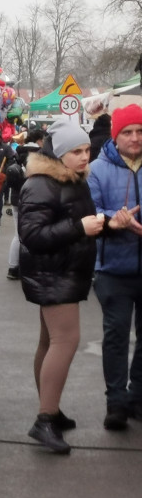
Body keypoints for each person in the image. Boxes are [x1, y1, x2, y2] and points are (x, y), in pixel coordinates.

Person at [18, 123, 115, 453]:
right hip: (53, 273)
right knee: (65, 340)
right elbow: (32, 236)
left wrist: (108, 225)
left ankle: (50, 411)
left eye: (87, 150)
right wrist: (79, 228)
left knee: (49, 341)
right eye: (76, 151)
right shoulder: (41, 184)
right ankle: (45, 419)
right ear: (59, 153)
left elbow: (80, 226)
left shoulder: (71, 180)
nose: (84, 157)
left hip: (64, 271)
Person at [87, 104, 142, 430]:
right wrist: (113, 219)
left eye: (139, 131)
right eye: (128, 132)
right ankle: (116, 403)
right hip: (111, 268)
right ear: (115, 136)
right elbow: (89, 210)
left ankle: (138, 396)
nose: (135, 138)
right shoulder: (97, 169)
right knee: (116, 335)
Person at [6, 129, 44, 280]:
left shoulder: (18, 152)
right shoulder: (40, 154)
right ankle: (30, 268)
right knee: (34, 232)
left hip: (16, 197)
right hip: (34, 197)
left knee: (18, 234)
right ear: (40, 140)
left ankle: (13, 267)